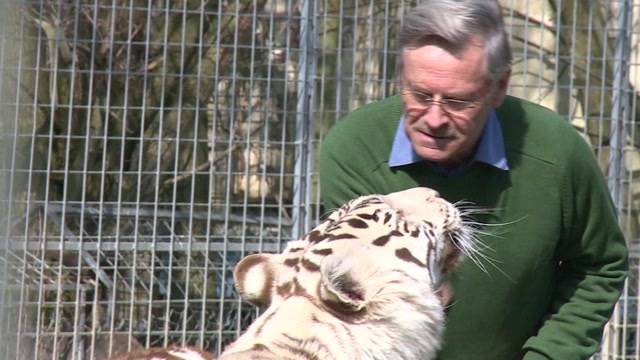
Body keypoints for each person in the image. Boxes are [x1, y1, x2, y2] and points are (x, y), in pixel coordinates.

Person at [318, 0, 629, 359]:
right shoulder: (353, 148)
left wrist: (550, 354)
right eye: (419, 95)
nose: (434, 119)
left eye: (457, 101)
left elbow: (599, 264)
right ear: (401, 75)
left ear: (499, 87)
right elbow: (356, 297)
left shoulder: (558, 153)